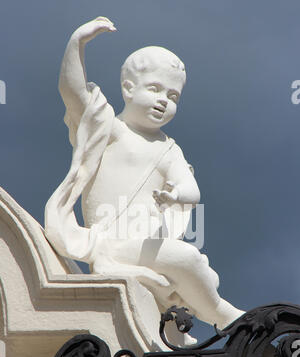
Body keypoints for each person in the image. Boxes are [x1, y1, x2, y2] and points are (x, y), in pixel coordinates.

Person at [45, 16, 243, 330]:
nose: (164, 100)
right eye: (155, 89)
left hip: (146, 245)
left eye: (173, 96)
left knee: (193, 264)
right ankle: (221, 314)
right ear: (128, 88)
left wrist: (175, 194)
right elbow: (73, 92)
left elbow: (191, 189)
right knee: (189, 261)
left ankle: (204, 306)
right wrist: (77, 43)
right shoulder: (110, 128)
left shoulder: (169, 149)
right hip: (112, 241)